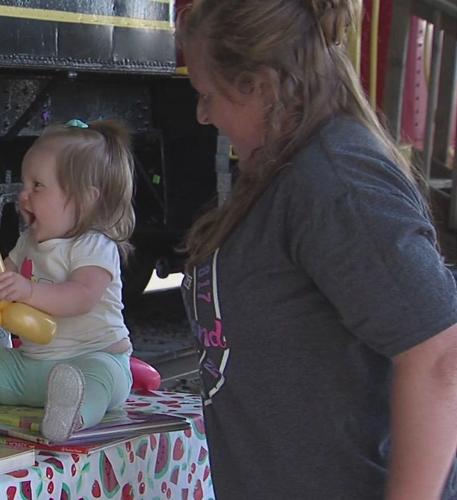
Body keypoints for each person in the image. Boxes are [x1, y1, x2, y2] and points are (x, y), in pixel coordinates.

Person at [177, 1, 457, 498]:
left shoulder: (335, 182)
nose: (202, 114)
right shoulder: (288, 170)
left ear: (260, 86)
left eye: (207, 94)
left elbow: (438, 358)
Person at [0, 119, 136, 443]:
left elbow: (82, 296)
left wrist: (30, 291)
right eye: (24, 184)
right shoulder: (27, 241)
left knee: (101, 377)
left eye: (38, 186)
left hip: (93, 357)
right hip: (33, 368)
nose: (24, 195)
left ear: (84, 199)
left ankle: (72, 418)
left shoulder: (94, 244)